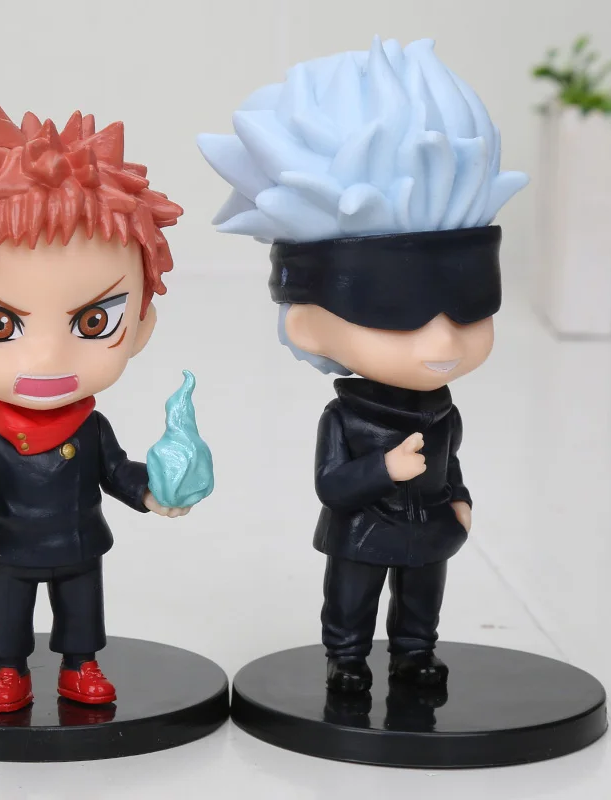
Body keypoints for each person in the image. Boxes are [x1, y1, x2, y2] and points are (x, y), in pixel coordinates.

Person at [198, 37, 528, 692]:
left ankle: (414, 654)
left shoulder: (442, 412)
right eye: (396, 312)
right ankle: (346, 658)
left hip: (430, 531)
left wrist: (459, 500)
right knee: (352, 598)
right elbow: (332, 484)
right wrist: (385, 469)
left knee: (421, 601)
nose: (442, 338)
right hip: (364, 533)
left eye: (470, 305)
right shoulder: (347, 418)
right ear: (307, 321)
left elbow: (451, 462)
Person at [0, 105, 192, 712]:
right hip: (8, 544)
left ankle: (80, 665)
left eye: (94, 322)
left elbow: (116, 470)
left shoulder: (91, 427)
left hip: (77, 540)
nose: (48, 357)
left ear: (140, 325)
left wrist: (152, 491)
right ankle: (10, 671)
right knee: (6, 613)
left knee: (82, 609)